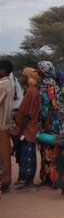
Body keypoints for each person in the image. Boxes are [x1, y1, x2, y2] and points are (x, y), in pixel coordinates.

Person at [37, 60, 64, 187]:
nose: (37, 72)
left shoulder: (50, 86)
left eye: (39, 69)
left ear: (43, 71)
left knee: (50, 148)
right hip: (48, 121)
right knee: (46, 147)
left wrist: (47, 123)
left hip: (52, 122)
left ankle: (52, 178)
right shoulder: (45, 84)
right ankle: (48, 177)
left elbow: (53, 106)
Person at [11, 68, 41, 190]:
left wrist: (21, 130)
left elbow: (28, 113)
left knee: (28, 155)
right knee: (26, 154)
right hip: (27, 127)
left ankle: (29, 182)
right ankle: (26, 180)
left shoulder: (31, 92)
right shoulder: (30, 91)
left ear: (28, 77)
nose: (21, 78)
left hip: (28, 128)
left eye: (23, 76)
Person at [0, 60, 15, 192]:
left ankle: (3, 181)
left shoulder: (2, 85)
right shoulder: (9, 83)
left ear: (3, 70)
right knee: (5, 154)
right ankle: (5, 181)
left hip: (1, 124)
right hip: (5, 124)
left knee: (2, 155)